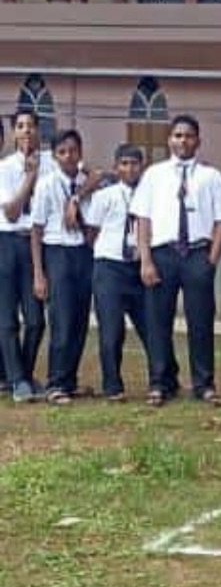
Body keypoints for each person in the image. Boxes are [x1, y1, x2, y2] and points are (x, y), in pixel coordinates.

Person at [132, 114, 221, 408]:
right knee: (157, 321)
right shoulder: (154, 175)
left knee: (200, 321)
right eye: (177, 135)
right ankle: (160, 382)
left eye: (188, 136)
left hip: (197, 254)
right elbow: (143, 218)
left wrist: (211, 260)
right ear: (169, 140)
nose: (183, 140)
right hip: (162, 254)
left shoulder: (211, 177)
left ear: (198, 141)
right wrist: (146, 260)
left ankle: (204, 384)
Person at [30, 129, 94, 404]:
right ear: (54, 156)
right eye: (62, 152)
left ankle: (69, 380)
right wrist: (39, 273)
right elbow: (36, 230)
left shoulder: (86, 182)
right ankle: (55, 382)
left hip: (84, 253)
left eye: (73, 150)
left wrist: (77, 197)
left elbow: (101, 174)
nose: (68, 156)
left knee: (80, 320)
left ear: (81, 152)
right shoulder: (46, 184)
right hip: (57, 252)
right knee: (62, 320)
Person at [84, 144, 151, 401]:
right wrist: (107, 251)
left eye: (134, 163)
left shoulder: (150, 195)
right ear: (116, 167)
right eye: (124, 163)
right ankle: (112, 385)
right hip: (109, 267)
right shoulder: (105, 196)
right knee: (112, 330)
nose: (130, 168)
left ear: (142, 166)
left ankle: (164, 379)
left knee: (151, 327)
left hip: (139, 267)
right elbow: (92, 232)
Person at [0, 111, 49, 403]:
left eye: (31, 125)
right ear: (14, 134)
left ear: (39, 130)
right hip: (7, 242)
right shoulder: (5, 168)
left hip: (36, 245)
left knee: (35, 320)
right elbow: (12, 211)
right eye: (20, 126)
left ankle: (23, 375)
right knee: (7, 319)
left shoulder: (51, 163)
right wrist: (30, 176)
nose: (26, 131)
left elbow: (89, 174)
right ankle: (17, 380)